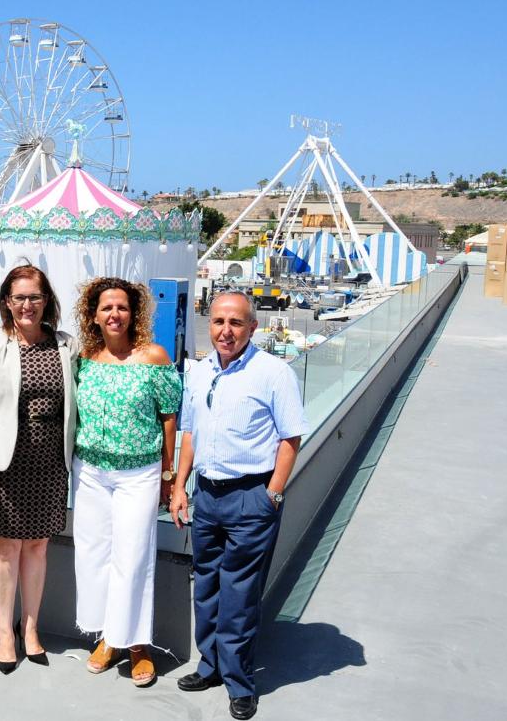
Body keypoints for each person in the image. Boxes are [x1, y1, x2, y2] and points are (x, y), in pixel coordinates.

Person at [169, 291, 307, 721]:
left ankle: (240, 681)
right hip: (206, 495)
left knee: (241, 594)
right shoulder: (200, 371)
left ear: (252, 327)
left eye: (236, 323)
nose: (225, 331)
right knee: (206, 585)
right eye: (218, 322)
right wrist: (179, 486)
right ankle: (210, 666)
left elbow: (290, 438)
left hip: (252, 496)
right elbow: (189, 432)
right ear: (208, 325)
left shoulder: (273, 372)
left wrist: (274, 492)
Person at [0, 264, 78, 674]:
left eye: (34, 297)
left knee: (37, 546)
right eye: (19, 298)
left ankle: (30, 628)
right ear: (6, 302)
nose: (27, 305)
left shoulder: (66, 344)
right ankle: (4, 633)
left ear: (46, 300)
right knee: (6, 547)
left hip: (51, 461)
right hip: (6, 462)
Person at [71, 278, 180, 686]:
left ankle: (136, 645)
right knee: (94, 555)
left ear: (134, 313)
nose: (114, 314)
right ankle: (107, 637)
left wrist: (169, 475)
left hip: (139, 473)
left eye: (121, 307)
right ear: (94, 315)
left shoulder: (153, 357)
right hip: (91, 472)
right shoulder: (85, 357)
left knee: (133, 558)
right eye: (106, 308)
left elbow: (170, 417)